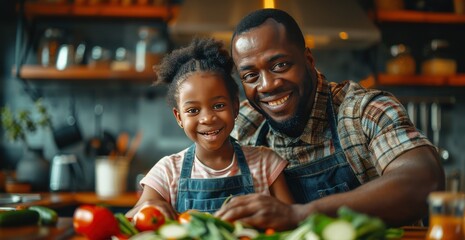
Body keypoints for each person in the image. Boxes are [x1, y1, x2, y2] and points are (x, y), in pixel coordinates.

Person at [215, 8, 445, 230]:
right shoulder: (244, 125)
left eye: (280, 65)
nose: (267, 85)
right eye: (251, 76)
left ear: (309, 60)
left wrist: (300, 215)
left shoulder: (363, 111)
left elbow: (424, 182)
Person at [126, 38, 293, 219]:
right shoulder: (167, 171)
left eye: (218, 105)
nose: (207, 118)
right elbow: (130, 219)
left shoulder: (266, 163)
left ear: (235, 107)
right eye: (193, 110)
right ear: (179, 117)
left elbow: (292, 221)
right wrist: (148, 206)